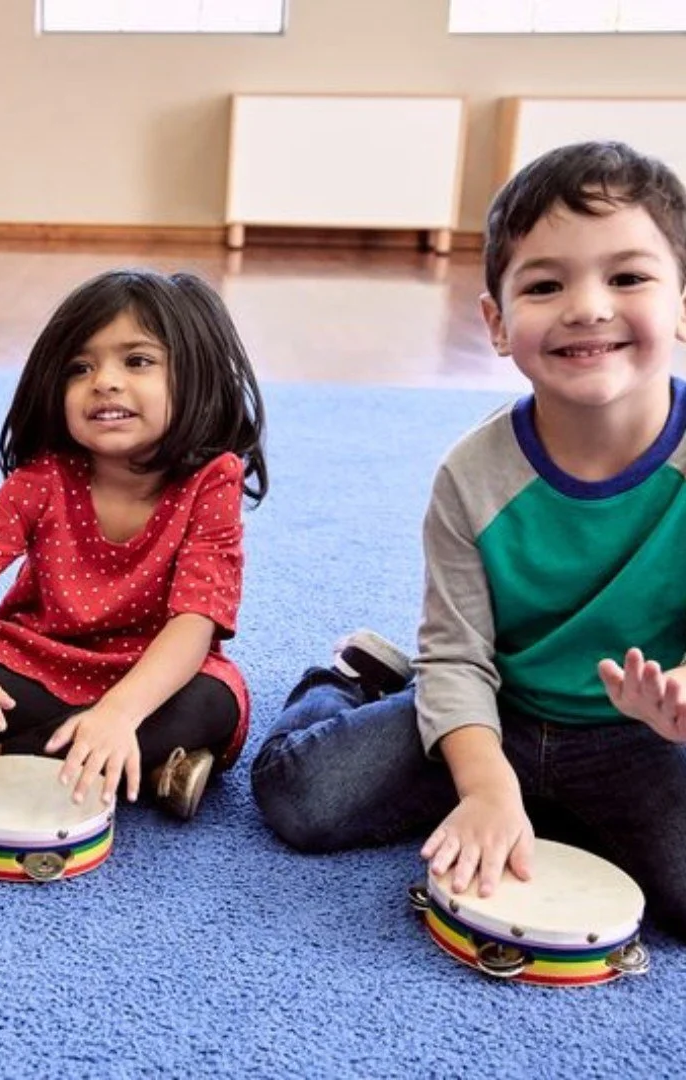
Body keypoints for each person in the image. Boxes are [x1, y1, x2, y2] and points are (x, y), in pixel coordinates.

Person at [251, 140, 686, 935]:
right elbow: (457, 657)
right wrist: (485, 784)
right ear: (496, 322)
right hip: (497, 711)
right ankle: (346, 683)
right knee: (300, 797)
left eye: (627, 277)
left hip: (639, 739)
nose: (588, 307)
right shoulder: (472, 475)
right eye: (545, 285)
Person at [0, 268, 267, 819]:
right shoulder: (44, 478)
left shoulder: (213, 480)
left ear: (198, 375)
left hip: (148, 672)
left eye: (137, 361)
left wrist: (118, 713)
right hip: (37, 660)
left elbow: (196, 623)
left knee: (214, 701)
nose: (105, 381)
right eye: (80, 368)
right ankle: (147, 768)